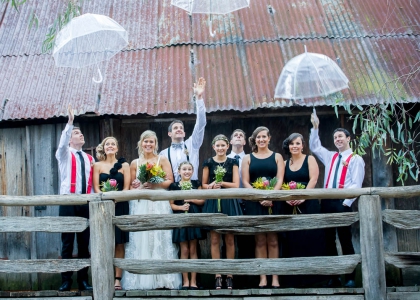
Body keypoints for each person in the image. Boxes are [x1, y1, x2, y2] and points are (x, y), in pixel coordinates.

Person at [310, 112, 365, 288]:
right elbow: (315, 146)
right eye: (335, 137)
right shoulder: (331, 157)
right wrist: (315, 127)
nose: (337, 139)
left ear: (348, 138)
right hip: (327, 202)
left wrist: (345, 203)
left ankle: (349, 277)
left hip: (342, 203)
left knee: (345, 240)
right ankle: (333, 276)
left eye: (340, 136)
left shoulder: (356, 159)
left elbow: (356, 184)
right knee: (328, 240)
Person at [122, 130, 181, 290]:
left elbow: (170, 181)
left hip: (159, 202)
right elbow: (129, 187)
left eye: (151, 142)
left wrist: (155, 184)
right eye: (145, 141)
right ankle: (141, 279)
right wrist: (138, 186)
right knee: (142, 237)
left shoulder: (162, 160)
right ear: (141, 143)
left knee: (160, 235)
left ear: (155, 144)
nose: (148, 144)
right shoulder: (135, 163)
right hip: (140, 203)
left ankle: (163, 279)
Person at [56, 105, 93, 292]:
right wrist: (70, 123)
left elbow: (92, 184)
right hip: (68, 201)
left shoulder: (89, 158)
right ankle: (66, 280)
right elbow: (62, 143)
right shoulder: (64, 154)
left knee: (84, 243)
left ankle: (83, 280)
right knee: (67, 242)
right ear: (70, 138)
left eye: (80, 133)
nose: (81, 135)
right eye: (77, 133)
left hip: (85, 202)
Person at [242, 126, 285, 289]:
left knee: (273, 240)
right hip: (255, 202)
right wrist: (259, 196)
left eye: (264, 137)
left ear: (269, 138)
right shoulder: (248, 158)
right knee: (259, 240)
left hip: (274, 201)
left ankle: (275, 277)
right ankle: (263, 278)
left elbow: (280, 178)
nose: (261, 140)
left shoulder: (277, 157)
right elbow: (245, 181)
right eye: (258, 137)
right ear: (255, 139)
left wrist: (270, 196)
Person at [281, 133, 324, 287]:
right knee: (293, 240)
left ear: (302, 145)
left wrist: (304, 196)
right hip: (290, 205)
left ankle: (313, 279)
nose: (295, 146)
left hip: (308, 204)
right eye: (292, 144)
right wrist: (287, 198)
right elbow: (281, 182)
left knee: (310, 238)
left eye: (298, 143)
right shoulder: (285, 163)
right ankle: (294, 279)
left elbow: (313, 179)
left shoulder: (309, 159)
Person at [202, 134, 242, 290]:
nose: (220, 148)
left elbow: (236, 184)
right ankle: (217, 275)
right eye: (217, 146)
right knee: (214, 239)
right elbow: (203, 184)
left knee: (230, 239)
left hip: (228, 201)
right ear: (213, 147)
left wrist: (221, 183)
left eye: (222, 146)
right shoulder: (208, 162)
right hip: (213, 201)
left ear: (227, 147)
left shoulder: (233, 162)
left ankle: (230, 275)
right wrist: (211, 185)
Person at [92, 137, 130, 290]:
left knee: (119, 242)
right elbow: (96, 187)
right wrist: (106, 199)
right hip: (103, 206)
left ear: (117, 148)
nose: (110, 146)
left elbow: (126, 187)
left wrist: (117, 199)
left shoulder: (124, 165)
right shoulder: (97, 165)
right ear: (104, 147)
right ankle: (104, 275)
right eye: (107, 144)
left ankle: (117, 279)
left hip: (120, 205)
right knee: (105, 241)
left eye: (113, 144)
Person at [160, 77, 207, 181]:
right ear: (169, 133)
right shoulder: (163, 153)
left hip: (192, 191)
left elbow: (201, 123)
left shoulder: (193, 144)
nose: (179, 129)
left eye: (181, 128)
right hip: (172, 192)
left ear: (184, 133)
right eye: (175, 128)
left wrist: (199, 98)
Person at [169, 161, 204, 290]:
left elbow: (202, 201)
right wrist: (180, 207)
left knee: (193, 249)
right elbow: (171, 204)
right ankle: (185, 281)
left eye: (189, 169)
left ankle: (193, 281)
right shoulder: (174, 186)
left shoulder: (196, 184)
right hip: (180, 217)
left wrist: (191, 200)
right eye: (184, 169)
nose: (187, 172)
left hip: (194, 216)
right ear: (179, 171)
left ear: (193, 171)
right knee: (184, 249)